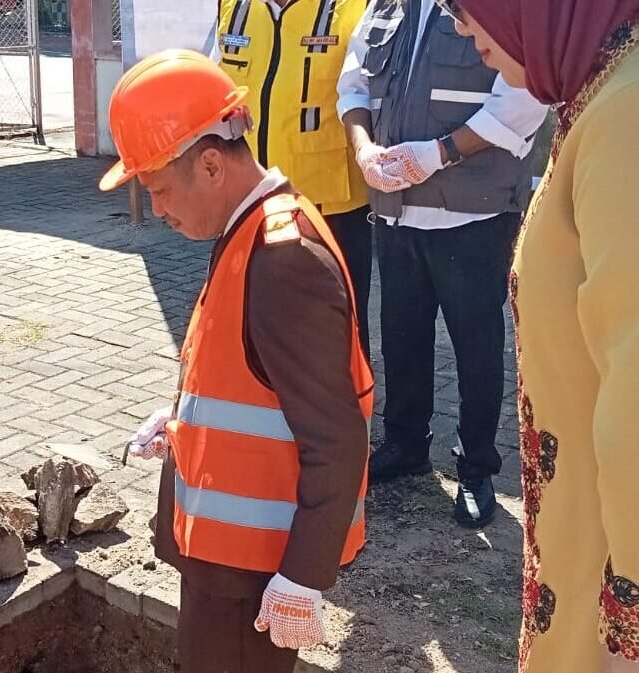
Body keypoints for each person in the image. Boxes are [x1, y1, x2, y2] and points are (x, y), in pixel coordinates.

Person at [108, 49, 372, 673]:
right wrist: (180, 423)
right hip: (230, 566)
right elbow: (253, 383)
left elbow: (337, 439)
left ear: (209, 164)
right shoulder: (248, 232)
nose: (159, 211)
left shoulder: (282, 259)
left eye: (161, 190)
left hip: (253, 579)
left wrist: (303, 580)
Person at [446, 0, 639, 670]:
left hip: (612, 577)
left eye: (466, 9)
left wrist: (629, 630)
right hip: (588, 535)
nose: (462, 28)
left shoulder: (626, 114)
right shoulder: (604, 92)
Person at [337, 0, 547, 528]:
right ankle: (406, 443)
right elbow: (354, 81)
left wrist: (439, 153)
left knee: (476, 346)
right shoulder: (387, 7)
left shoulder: (498, 6)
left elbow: (526, 98)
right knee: (402, 335)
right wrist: (363, 149)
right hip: (396, 210)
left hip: (472, 215)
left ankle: (477, 467)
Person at [217, 0, 373, 357]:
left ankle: (350, 409)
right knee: (257, 320)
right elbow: (217, 89)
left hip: (329, 207)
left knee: (338, 327)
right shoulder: (235, 7)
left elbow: (365, 94)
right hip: (251, 203)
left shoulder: (355, 7)